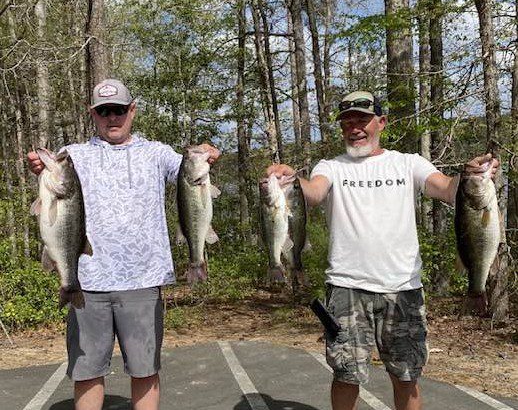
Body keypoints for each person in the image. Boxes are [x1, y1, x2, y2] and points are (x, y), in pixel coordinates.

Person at [266, 90, 499, 410]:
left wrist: (472, 174)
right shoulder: (331, 167)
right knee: (346, 375)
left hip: (403, 289)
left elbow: (448, 189)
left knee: (406, 375)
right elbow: (313, 192)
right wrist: (289, 181)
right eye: (347, 122)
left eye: (362, 120)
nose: (354, 128)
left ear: (381, 122)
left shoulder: (408, 163)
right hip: (347, 288)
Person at [27, 78, 220, 410]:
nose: (112, 117)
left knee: (145, 370)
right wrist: (38, 166)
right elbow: (51, 178)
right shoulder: (74, 155)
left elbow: (191, 171)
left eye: (118, 109)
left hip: (143, 281)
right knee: (87, 372)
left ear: (132, 110)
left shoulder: (157, 153)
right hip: (87, 282)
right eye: (104, 111)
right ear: (92, 114)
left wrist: (209, 152)